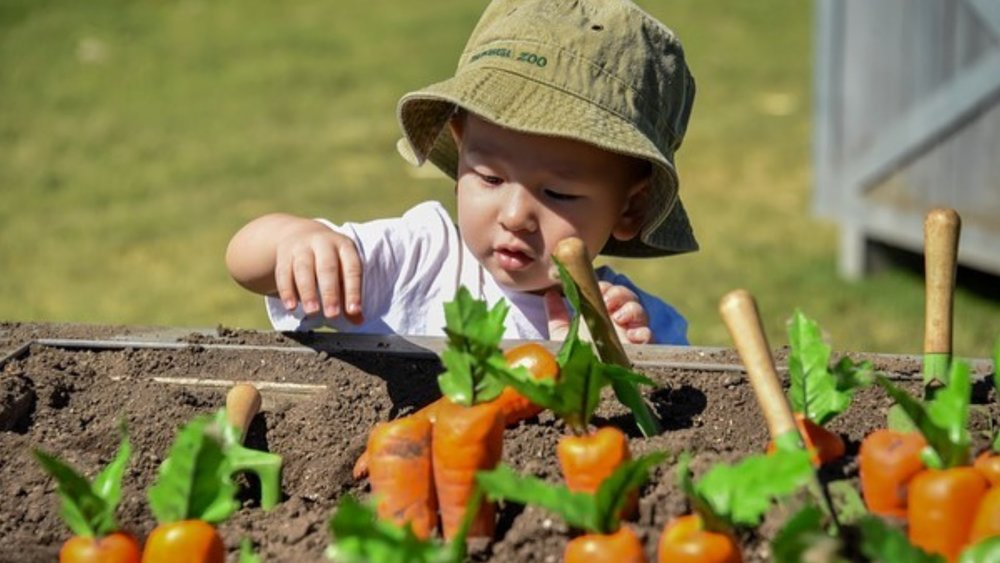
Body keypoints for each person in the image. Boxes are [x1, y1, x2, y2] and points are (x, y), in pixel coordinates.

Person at [225, 0, 697, 345]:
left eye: (557, 193)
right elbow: (246, 264)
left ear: (630, 206)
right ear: (461, 145)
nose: (515, 216)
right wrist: (298, 242)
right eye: (490, 178)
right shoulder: (420, 259)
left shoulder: (638, 324)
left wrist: (617, 364)